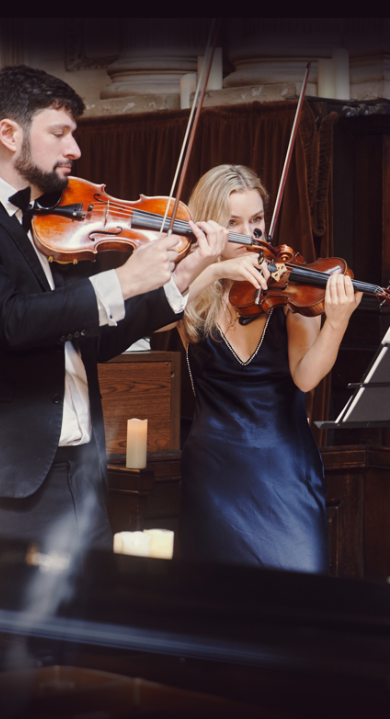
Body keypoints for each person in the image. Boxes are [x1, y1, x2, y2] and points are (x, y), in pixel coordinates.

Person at [0, 65, 225, 557]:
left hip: (82, 473)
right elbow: (12, 322)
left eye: (74, 134)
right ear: (8, 133)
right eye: (58, 133)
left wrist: (181, 277)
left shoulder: (53, 221)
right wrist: (123, 279)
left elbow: (93, 340)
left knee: (92, 630)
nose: (74, 150)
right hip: (12, 486)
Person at [174, 164, 361, 572]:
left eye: (257, 221)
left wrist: (338, 322)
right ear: (209, 227)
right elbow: (150, 312)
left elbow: (307, 377)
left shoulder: (289, 285)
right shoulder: (194, 292)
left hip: (284, 467)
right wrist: (216, 269)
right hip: (213, 470)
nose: (251, 235)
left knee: (299, 596)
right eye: (233, 223)